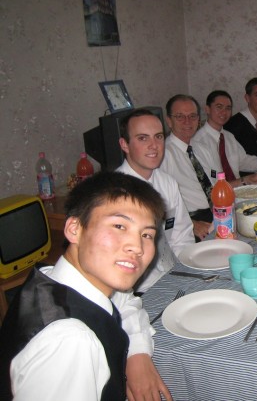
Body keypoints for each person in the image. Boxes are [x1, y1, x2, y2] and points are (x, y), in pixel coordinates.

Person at [0, 172, 172, 401]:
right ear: (74, 229)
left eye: (147, 234)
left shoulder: (51, 277)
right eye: (120, 226)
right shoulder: (71, 342)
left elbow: (124, 300)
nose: (137, 246)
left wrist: (137, 352)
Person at [117, 108, 195, 292]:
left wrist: (188, 272)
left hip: (174, 274)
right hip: (138, 287)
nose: (154, 145)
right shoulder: (114, 195)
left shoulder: (167, 182)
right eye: (143, 138)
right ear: (124, 145)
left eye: (158, 137)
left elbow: (181, 234)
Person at [192, 90, 257, 187]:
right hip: (218, 197)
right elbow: (212, 186)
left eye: (228, 108)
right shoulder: (198, 142)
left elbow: (244, 161)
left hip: (238, 191)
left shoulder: (228, 136)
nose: (224, 112)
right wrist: (245, 180)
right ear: (207, 109)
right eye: (219, 107)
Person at [160, 94, 213, 242]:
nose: (187, 122)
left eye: (192, 116)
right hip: (190, 221)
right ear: (169, 121)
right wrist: (192, 224)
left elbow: (215, 182)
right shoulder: (163, 155)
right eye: (180, 117)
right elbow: (159, 205)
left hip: (216, 213)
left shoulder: (203, 149)